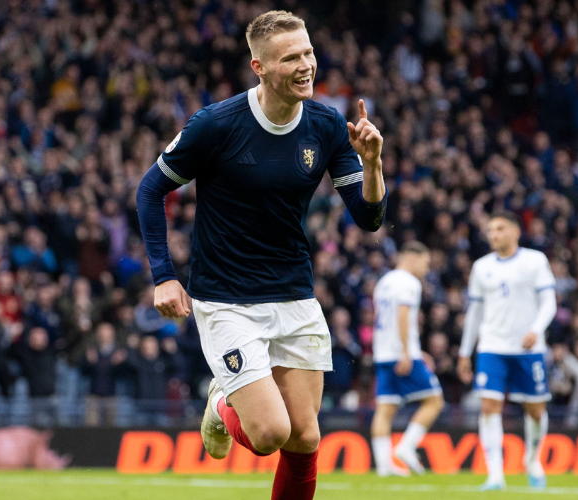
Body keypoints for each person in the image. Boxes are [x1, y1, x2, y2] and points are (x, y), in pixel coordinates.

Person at [135, 10, 386, 500]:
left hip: (293, 293)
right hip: (226, 300)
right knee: (270, 434)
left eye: (309, 52)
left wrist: (374, 164)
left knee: (306, 437)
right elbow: (150, 190)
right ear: (260, 67)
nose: (306, 65)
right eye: (291, 57)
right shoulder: (216, 124)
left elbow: (369, 218)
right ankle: (222, 401)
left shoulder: (327, 125)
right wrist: (163, 275)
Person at [458, 212, 557, 491]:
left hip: (529, 349)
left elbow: (549, 302)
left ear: (515, 231)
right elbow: (474, 312)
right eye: (490, 230)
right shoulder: (481, 267)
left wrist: (536, 329)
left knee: (535, 410)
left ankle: (533, 459)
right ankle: (495, 476)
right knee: (489, 406)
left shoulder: (535, 261)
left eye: (500, 228)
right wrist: (466, 352)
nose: (494, 234)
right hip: (492, 346)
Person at [370, 242, 444, 477]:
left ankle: (384, 466)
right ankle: (407, 447)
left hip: (382, 352)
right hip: (400, 353)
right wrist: (406, 350)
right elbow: (402, 316)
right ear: (412, 258)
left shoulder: (384, 281)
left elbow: (383, 318)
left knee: (385, 409)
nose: (426, 268)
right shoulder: (409, 283)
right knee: (435, 401)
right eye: (425, 262)